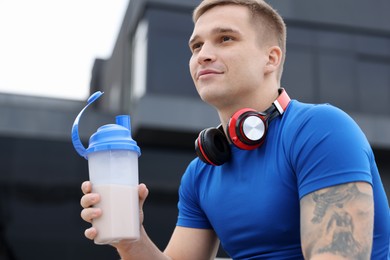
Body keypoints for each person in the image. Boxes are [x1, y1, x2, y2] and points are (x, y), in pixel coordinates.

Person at [80, 0, 390, 259]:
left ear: (271, 58)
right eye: (196, 45)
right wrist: (130, 238)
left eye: (225, 38)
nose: (203, 54)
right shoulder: (201, 173)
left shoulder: (321, 130)